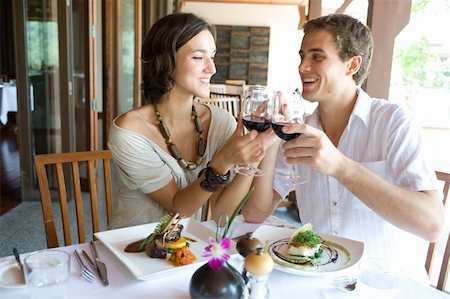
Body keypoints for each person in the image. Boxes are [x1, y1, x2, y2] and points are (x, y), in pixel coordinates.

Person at [242, 14, 446, 282]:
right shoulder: (299, 129)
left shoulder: (392, 121)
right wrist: (270, 138)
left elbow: (432, 225)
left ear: (352, 65)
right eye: (302, 56)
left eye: (317, 56)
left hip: (388, 287)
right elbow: (255, 213)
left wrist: (340, 166)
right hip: (321, 283)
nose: (302, 66)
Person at [108, 12, 265, 229]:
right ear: (165, 61)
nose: (212, 68)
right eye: (199, 57)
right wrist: (222, 162)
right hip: (133, 249)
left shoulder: (219, 122)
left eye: (213, 56)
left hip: (187, 251)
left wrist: (257, 150)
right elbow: (178, 207)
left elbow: (221, 215)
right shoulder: (130, 131)